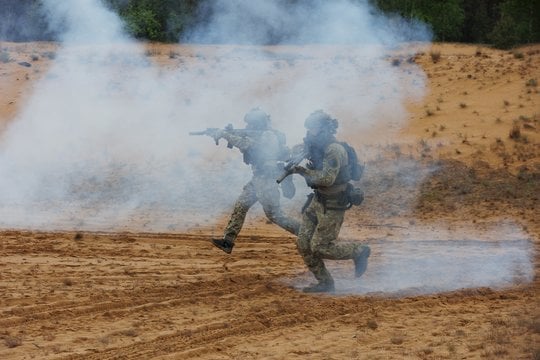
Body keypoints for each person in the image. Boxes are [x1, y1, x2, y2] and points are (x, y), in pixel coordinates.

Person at [291, 110, 371, 293]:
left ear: (325, 129)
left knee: (319, 247)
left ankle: (358, 251)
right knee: (303, 243)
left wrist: (301, 171)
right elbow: (299, 151)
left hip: (333, 204)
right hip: (318, 200)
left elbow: (326, 179)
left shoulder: (334, 149)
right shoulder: (316, 145)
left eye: (314, 128)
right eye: (309, 128)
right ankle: (325, 283)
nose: (310, 131)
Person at [211, 108, 300, 254]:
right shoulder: (260, 134)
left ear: (257, 123)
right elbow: (248, 147)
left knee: (275, 216)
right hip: (258, 180)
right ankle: (228, 241)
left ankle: (307, 234)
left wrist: (225, 134)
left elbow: (246, 145)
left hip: (266, 181)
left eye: (251, 124)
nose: (248, 127)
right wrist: (229, 134)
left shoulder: (268, 135)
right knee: (241, 205)